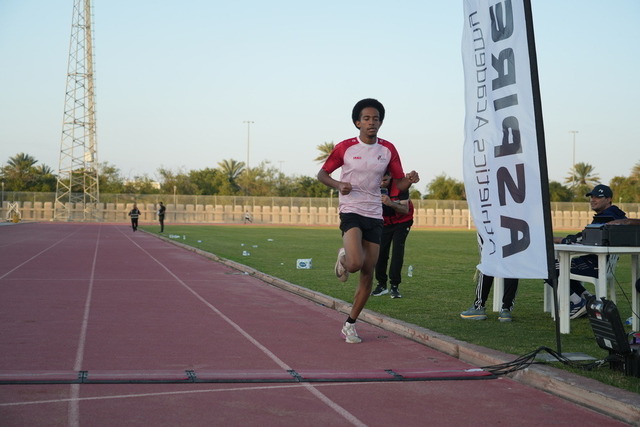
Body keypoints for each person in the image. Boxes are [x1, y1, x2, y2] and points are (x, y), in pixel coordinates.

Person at [317, 98, 419, 343]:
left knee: (367, 274)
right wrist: (338, 184)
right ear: (357, 122)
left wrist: (409, 180)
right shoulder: (345, 148)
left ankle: (350, 324)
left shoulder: (388, 150)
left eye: (376, 118)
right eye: (366, 118)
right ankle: (344, 257)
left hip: (374, 213)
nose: (372, 122)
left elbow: (398, 184)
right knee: (354, 264)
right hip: (351, 210)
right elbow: (322, 174)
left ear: (380, 122)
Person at [547, 184, 627, 319]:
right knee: (560, 266)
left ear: (608, 199)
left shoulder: (607, 217)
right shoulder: (615, 215)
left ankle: (578, 303)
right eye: (592, 197)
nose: (593, 200)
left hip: (594, 264)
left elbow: (585, 239)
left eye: (598, 197)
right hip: (600, 264)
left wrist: (562, 240)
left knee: (547, 267)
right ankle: (588, 298)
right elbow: (586, 236)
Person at [371, 170, 414, 299]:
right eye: (379, 180)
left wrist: (390, 203)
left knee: (397, 252)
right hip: (384, 222)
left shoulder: (401, 186)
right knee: (380, 253)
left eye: (385, 180)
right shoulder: (371, 186)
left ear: (390, 177)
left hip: (402, 221)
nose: (381, 183)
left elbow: (405, 209)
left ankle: (395, 286)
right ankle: (381, 285)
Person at [460, 234, 519, 322]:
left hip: (490, 230)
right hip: (510, 230)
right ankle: (506, 310)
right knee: (510, 266)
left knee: (488, 262)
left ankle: (479, 307)